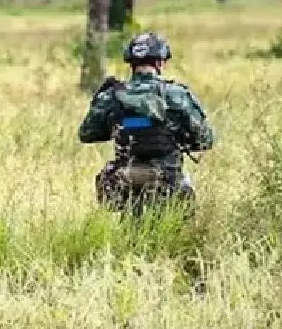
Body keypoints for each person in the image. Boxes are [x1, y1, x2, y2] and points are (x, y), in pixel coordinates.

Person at [78, 32, 214, 213]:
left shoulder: (111, 96)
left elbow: (87, 134)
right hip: (168, 183)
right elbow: (206, 139)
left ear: (132, 65)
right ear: (159, 63)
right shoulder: (176, 94)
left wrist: (117, 122)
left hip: (127, 183)